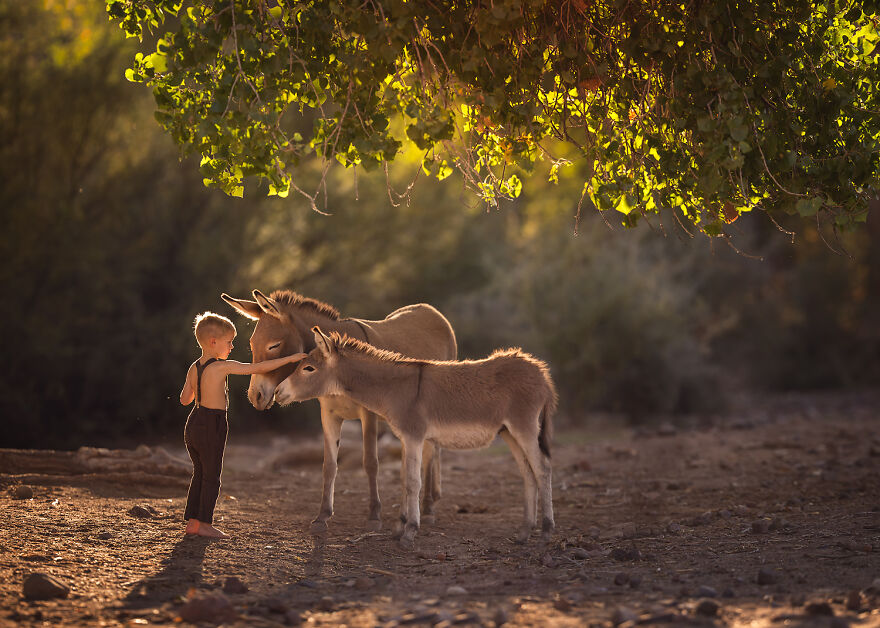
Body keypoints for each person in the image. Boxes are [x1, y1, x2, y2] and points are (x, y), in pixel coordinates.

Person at [179, 311, 306, 538]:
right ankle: (204, 524)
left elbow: (184, 399)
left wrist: (200, 389)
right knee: (212, 476)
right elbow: (257, 368)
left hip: (193, 422)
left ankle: (193, 522)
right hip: (211, 423)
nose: (231, 347)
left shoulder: (193, 367)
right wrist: (290, 359)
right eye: (229, 343)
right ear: (213, 342)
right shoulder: (222, 367)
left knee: (199, 472)